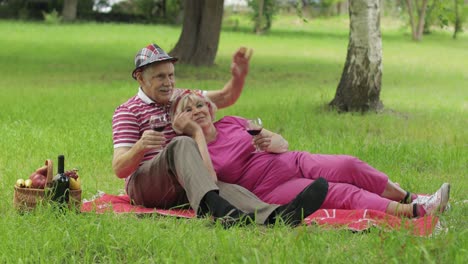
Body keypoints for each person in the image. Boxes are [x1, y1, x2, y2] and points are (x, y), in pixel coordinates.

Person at [111, 43, 329, 228]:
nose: (168, 83)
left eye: (171, 75)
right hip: (145, 186)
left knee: (223, 188)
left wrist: (238, 76)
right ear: (140, 78)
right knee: (182, 143)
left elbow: (225, 96)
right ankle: (217, 208)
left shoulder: (179, 96)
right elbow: (120, 169)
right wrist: (140, 146)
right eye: (160, 77)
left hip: (181, 182)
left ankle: (277, 216)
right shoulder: (128, 111)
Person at [171, 91, 451, 218]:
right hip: (272, 188)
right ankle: (415, 211)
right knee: (340, 192)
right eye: (189, 109)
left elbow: (283, 143)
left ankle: (411, 196)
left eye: (200, 104)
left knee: (349, 164)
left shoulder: (232, 122)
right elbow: (209, 184)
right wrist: (195, 134)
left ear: (210, 107)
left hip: (290, 160)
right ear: (181, 120)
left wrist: (272, 140)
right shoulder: (191, 150)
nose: (197, 110)